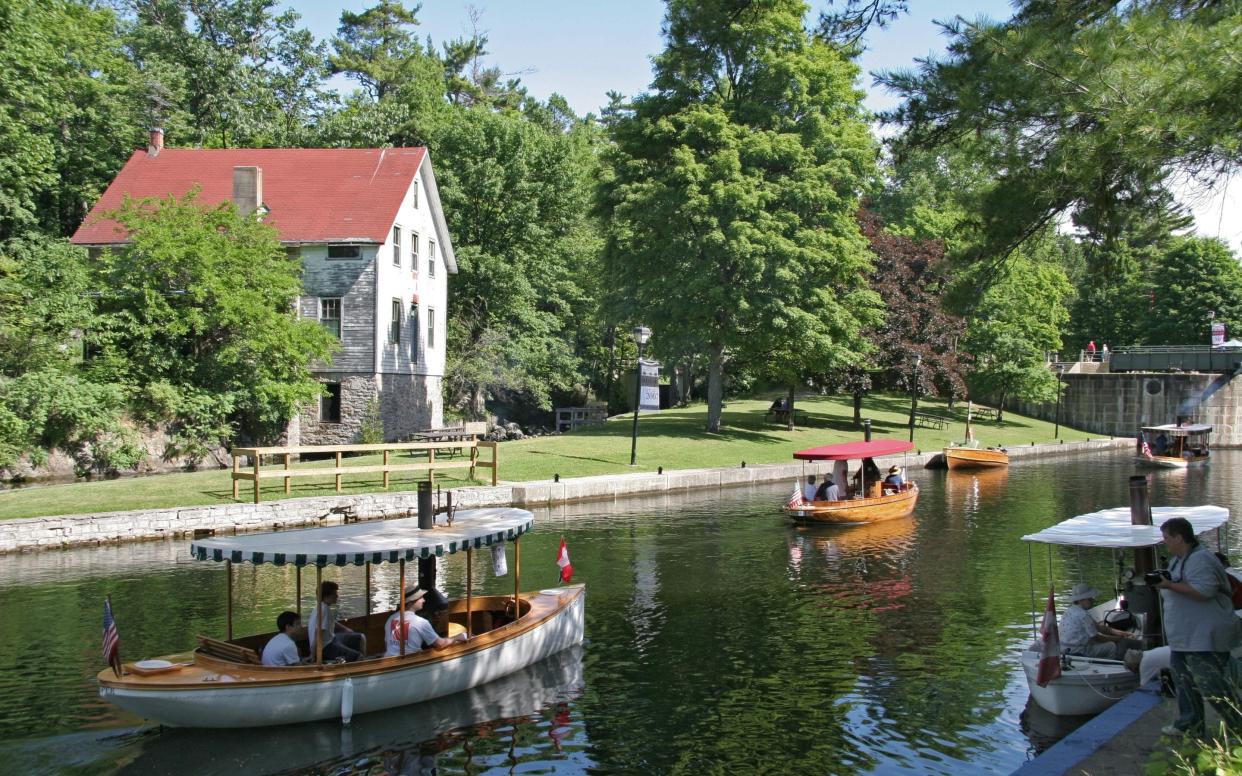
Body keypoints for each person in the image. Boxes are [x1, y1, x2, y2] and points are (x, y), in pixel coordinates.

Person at [1152, 517, 1242, 738]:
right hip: (1184, 635)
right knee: (1184, 681)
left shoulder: (1201, 559)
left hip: (1204, 635)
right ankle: (1189, 724)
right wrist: (1163, 583)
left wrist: (1169, 585)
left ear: (1179, 537)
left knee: (1210, 682)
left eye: (1166, 538)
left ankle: (1237, 725)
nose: (1165, 543)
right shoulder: (1178, 559)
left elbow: (1204, 592)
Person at [1058, 583, 1144, 660]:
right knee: (1111, 646)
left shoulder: (1070, 611)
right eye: (1090, 599)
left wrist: (1123, 633)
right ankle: (1110, 664)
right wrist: (1119, 639)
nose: (1093, 600)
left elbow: (1099, 627)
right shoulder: (1083, 615)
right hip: (1079, 650)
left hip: (1064, 649)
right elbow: (1097, 638)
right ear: (1081, 600)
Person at [385, 587, 467, 657]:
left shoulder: (390, 619)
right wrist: (458, 637)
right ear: (411, 602)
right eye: (420, 598)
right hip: (410, 663)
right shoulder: (421, 622)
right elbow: (441, 644)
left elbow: (387, 644)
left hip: (388, 660)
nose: (424, 600)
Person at [309, 581, 367, 663]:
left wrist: (346, 629)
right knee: (359, 657)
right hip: (326, 647)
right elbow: (318, 634)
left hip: (332, 639)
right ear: (326, 596)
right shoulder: (324, 610)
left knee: (361, 637)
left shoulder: (322, 607)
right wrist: (313, 655)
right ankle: (361, 667)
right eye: (335, 594)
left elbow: (332, 622)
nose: (337, 596)